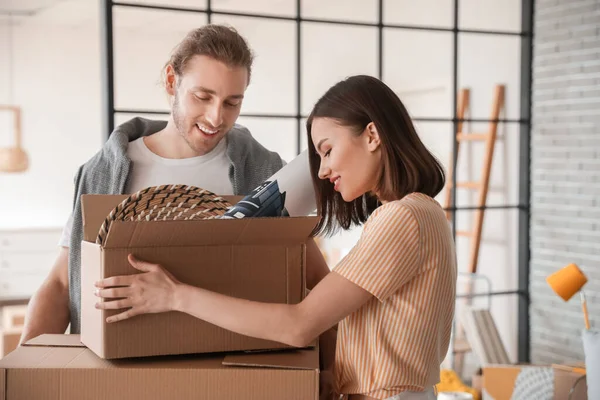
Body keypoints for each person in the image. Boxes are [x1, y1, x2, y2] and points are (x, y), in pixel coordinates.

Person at [95, 75, 457, 400]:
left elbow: (298, 325)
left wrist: (175, 295)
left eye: (328, 150)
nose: (325, 169)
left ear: (373, 135)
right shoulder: (420, 214)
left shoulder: (402, 218)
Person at [19, 24, 330, 343]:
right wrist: (21, 370)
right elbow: (61, 283)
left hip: (234, 369)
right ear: (171, 81)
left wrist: (330, 369)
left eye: (231, 103)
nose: (215, 118)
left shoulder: (263, 171)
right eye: (203, 97)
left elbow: (318, 279)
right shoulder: (104, 172)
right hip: (124, 373)